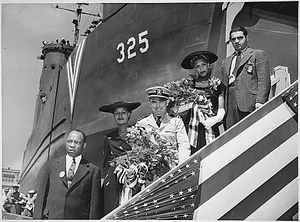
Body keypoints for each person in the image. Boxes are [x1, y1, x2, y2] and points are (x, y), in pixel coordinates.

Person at [33, 129, 102, 220]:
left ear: (84, 145)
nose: (72, 145)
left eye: (77, 142)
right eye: (69, 141)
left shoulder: (93, 171)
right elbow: (41, 198)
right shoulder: (51, 166)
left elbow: (94, 207)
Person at [220, 26, 271, 129]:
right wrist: (222, 108)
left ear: (247, 38)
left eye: (240, 38)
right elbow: (223, 87)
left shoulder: (257, 54)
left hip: (249, 102)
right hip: (230, 104)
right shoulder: (226, 62)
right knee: (232, 135)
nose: (237, 41)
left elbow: (263, 79)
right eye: (233, 39)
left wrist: (260, 101)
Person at [99, 101, 141, 215]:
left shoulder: (137, 134)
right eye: (117, 113)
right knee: (112, 209)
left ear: (129, 114)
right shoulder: (109, 138)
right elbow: (106, 163)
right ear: (114, 116)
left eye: (123, 113)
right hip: (114, 177)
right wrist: (103, 180)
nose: (120, 116)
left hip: (133, 177)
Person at [180, 51, 226, 154]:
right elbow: (179, 108)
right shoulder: (189, 86)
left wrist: (216, 118)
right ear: (194, 69)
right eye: (197, 66)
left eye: (203, 65)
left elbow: (221, 108)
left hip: (211, 126)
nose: (201, 69)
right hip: (193, 127)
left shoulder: (217, 84)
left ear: (208, 65)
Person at [136, 86, 190, 164]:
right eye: (154, 102)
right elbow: (138, 149)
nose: (158, 106)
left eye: (161, 101)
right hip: (151, 169)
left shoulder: (176, 122)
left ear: (167, 102)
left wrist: (182, 165)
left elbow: (184, 146)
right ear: (150, 103)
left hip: (172, 166)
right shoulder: (142, 123)